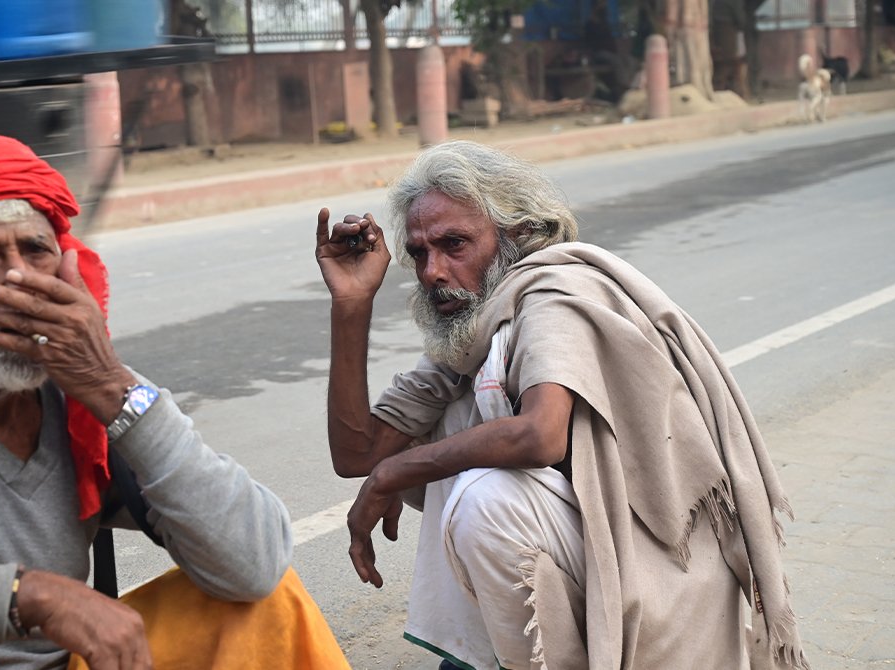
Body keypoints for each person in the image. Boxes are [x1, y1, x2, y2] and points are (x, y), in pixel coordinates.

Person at [314, 140, 808, 670]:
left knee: (484, 499)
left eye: (454, 244)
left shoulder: (554, 294)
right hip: (583, 557)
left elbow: (540, 434)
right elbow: (357, 454)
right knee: (460, 435)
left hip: (652, 569)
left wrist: (395, 471)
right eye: (419, 253)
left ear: (518, 234)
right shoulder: (471, 335)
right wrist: (351, 303)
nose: (433, 270)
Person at [0, 135, 349, 669]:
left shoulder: (88, 398)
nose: (20, 279)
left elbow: (255, 562)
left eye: (36, 251)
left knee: (269, 604)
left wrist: (112, 387)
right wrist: (22, 597)